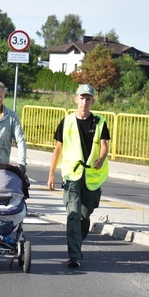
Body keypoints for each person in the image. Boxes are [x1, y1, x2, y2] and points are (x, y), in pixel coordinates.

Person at [47, 83, 110, 269]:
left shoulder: (100, 121)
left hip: (91, 176)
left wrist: (102, 157)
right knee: (73, 215)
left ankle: (77, 242)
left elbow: (105, 144)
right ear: (76, 99)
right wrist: (51, 174)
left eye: (88, 98)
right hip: (72, 175)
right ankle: (74, 255)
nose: (84, 102)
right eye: (81, 98)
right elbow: (58, 149)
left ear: (92, 101)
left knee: (84, 215)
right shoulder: (66, 121)